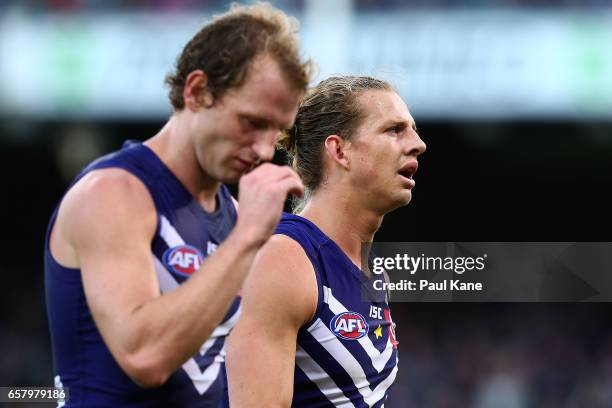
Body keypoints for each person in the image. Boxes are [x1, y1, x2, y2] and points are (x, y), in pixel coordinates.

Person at [44, 3, 311, 407]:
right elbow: (144, 356)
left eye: (276, 131)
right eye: (252, 122)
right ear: (197, 91)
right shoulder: (113, 194)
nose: (262, 149)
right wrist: (247, 239)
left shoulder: (233, 215)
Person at [226, 76, 427, 407]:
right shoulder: (282, 258)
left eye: (413, 128)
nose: (418, 143)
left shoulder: (372, 273)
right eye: (394, 130)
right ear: (339, 150)